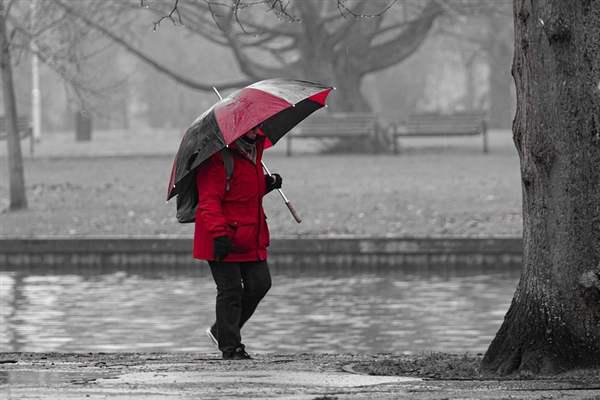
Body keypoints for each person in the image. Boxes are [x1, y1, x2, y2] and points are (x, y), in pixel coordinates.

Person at [193, 126, 282, 360]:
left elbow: (242, 192)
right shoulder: (216, 159)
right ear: (236, 128)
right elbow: (209, 201)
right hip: (221, 236)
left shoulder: (254, 153)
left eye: (257, 126)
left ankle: (220, 331)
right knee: (230, 290)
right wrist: (219, 234)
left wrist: (267, 184)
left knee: (260, 284)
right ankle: (231, 348)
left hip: (249, 235)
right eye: (249, 127)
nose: (255, 130)